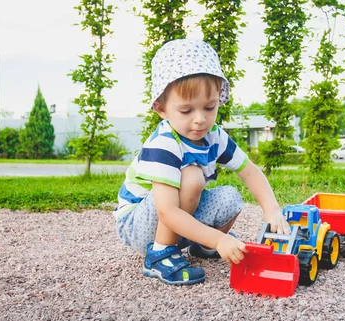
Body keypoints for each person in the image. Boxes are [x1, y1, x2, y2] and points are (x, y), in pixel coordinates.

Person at [114, 39, 290, 286]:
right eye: (186, 111)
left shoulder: (214, 136)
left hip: (176, 215)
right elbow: (166, 210)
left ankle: (201, 245)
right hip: (139, 225)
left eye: (209, 107)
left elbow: (250, 172)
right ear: (161, 108)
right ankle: (160, 254)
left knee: (230, 196)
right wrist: (220, 240)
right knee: (193, 176)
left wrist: (271, 209)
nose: (200, 120)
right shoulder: (164, 143)